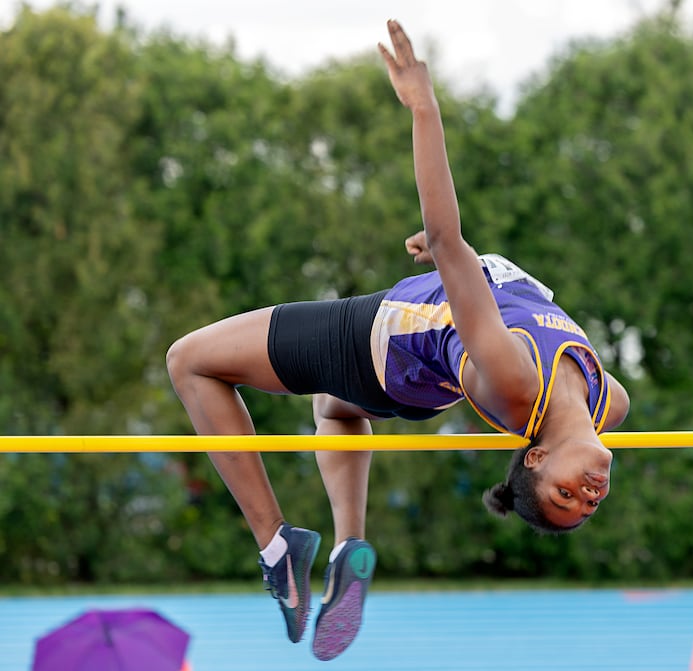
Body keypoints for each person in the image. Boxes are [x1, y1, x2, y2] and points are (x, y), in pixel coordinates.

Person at [166, 19, 630, 661]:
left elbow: (449, 239)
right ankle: (348, 542)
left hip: (374, 342)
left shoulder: (518, 383)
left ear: (533, 458)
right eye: (586, 504)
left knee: (190, 362)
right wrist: (464, 269)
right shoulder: (610, 403)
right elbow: (507, 293)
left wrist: (424, 108)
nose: (587, 495)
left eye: (564, 496)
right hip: (415, 384)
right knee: (333, 408)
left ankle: (276, 549)